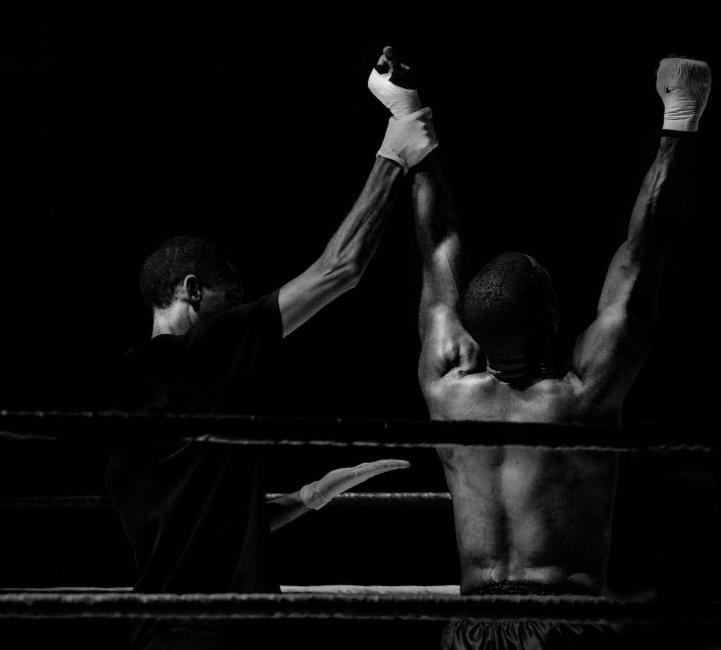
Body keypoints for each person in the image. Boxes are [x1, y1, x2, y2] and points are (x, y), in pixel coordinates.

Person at [102, 52, 438, 650]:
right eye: (233, 299)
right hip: (220, 636)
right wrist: (395, 145)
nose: (244, 310)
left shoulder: (125, 387)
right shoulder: (208, 349)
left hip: (154, 634)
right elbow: (341, 269)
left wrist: (310, 496)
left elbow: (202, 521)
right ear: (193, 292)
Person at [391, 45, 710, 649]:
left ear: (473, 332)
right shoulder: (582, 400)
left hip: (474, 629)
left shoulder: (446, 390)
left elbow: (437, 252)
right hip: (566, 625)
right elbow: (645, 249)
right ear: (557, 319)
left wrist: (408, 116)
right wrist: (680, 120)